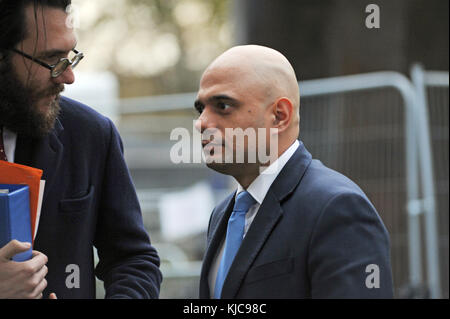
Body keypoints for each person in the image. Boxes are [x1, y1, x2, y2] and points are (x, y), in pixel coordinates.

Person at [195, 45, 393, 298]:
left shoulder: (337, 208)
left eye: (222, 105)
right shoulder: (223, 214)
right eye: (201, 109)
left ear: (280, 116)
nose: (202, 123)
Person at [0, 0, 162, 299]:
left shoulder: (91, 134)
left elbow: (133, 260)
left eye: (68, 57)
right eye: (51, 59)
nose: (68, 77)